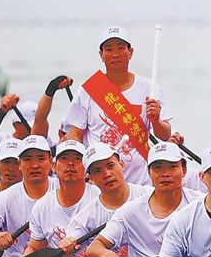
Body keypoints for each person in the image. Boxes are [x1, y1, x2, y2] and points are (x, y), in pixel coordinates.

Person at [86, 142, 202, 257]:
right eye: (158, 167)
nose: (165, 174)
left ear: (184, 170)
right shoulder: (130, 212)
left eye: (172, 167)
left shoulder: (200, 204)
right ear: (149, 172)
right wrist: (109, 256)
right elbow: (93, 249)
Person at [64, 26, 172, 185]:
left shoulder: (149, 88)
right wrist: (82, 170)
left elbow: (165, 135)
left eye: (121, 48)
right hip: (101, 183)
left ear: (130, 52)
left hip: (140, 182)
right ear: (101, 55)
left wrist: (156, 120)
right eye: (109, 49)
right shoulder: (88, 90)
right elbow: (75, 136)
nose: (115, 54)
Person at [57, 142, 147, 257]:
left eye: (110, 166)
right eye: (98, 171)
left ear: (122, 164)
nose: (107, 174)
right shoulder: (85, 217)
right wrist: (65, 247)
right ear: (90, 178)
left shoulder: (148, 196)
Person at [0, 135, 57, 257]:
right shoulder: (5, 198)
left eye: (41, 159)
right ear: (19, 164)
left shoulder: (63, 189)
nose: (35, 165)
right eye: (28, 159)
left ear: (50, 162)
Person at [24, 140, 98, 257]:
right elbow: (34, 248)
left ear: (86, 167)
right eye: (64, 158)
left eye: (77, 159)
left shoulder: (100, 197)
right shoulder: (42, 206)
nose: (70, 163)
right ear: (54, 166)